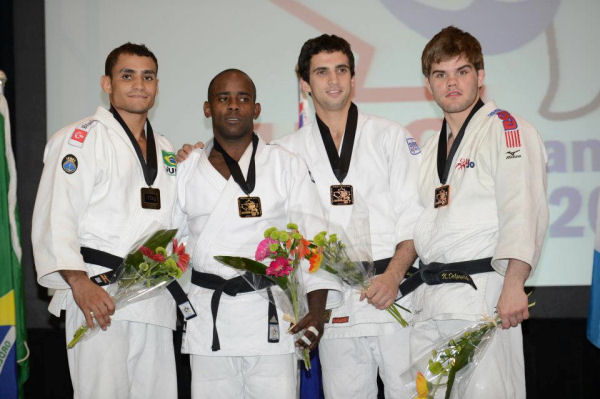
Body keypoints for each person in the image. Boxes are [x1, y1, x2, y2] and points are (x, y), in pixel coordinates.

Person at [173, 69, 342, 399]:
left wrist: (317, 313)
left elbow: (313, 239)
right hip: (210, 318)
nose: (233, 106)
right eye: (223, 99)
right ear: (208, 109)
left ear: (256, 109)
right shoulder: (188, 168)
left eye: (242, 99)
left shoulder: (285, 164)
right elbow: (170, 245)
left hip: (273, 318)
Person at [276, 34, 422, 398]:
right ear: (305, 82)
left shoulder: (389, 137)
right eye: (322, 72)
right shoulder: (285, 151)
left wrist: (392, 277)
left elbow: (415, 216)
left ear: (353, 77)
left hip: (394, 294)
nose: (334, 80)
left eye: (341, 70)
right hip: (334, 302)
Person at [32, 43, 180, 399]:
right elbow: (57, 212)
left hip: (152, 298)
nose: (139, 85)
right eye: (127, 76)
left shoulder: (165, 149)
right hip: (98, 293)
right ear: (107, 83)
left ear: (157, 86)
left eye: (147, 77)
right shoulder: (80, 138)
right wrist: (77, 281)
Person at [409, 26, 549, 398]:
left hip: (484, 296)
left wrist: (514, 284)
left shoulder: (506, 129)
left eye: (462, 71)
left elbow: (524, 208)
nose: (451, 83)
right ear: (429, 84)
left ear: (480, 76)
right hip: (431, 301)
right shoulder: (428, 147)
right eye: (441, 74)